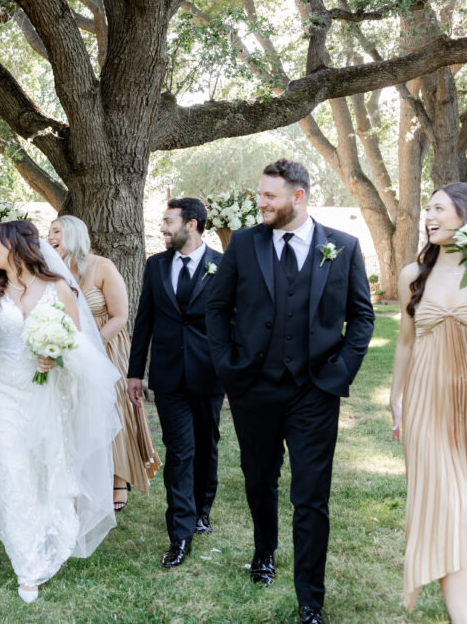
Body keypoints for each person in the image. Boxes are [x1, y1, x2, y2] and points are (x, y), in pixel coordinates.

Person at [206, 159, 375, 624]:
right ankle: (264, 552)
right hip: (253, 389)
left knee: (311, 495)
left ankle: (310, 601)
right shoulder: (243, 243)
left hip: (314, 391)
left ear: (297, 198)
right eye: (259, 195)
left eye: (269, 197)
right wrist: (227, 365)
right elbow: (216, 308)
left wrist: (339, 371)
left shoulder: (342, 246)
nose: (259, 203)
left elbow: (362, 317)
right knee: (259, 480)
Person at [0, 220, 121, 603]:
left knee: (45, 465)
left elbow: (79, 346)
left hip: (45, 391)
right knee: (13, 471)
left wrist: (55, 357)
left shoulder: (60, 288)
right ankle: (27, 566)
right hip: (1, 390)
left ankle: (49, 533)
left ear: (18, 245)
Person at [389, 183, 467, 624]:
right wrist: (396, 399)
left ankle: (465, 601)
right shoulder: (413, 275)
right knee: (448, 510)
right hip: (428, 404)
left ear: (466, 216)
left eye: (438, 208)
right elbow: (406, 344)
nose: (428, 214)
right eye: (427, 206)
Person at [127, 198, 224, 569]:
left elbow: (233, 321)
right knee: (180, 452)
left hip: (210, 373)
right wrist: (136, 372)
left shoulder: (223, 265)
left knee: (207, 445)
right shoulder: (155, 265)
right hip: (168, 376)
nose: (162, 228)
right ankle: (180, 535)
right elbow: (145, 320)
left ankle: (203, 508)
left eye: (168, 221)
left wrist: (233, 374)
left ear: (193, 224)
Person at [49, 215, 160, 512]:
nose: (50, 237)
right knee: (78, 411)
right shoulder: (53, 273)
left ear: (73, 234)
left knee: (113, 409)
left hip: (107, 348)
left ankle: (119, 478)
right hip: (70, 354)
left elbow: (120, 315)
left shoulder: (103, 267)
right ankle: (86, 476)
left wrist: (92, 346)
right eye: (49, 233)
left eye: (56, 231)